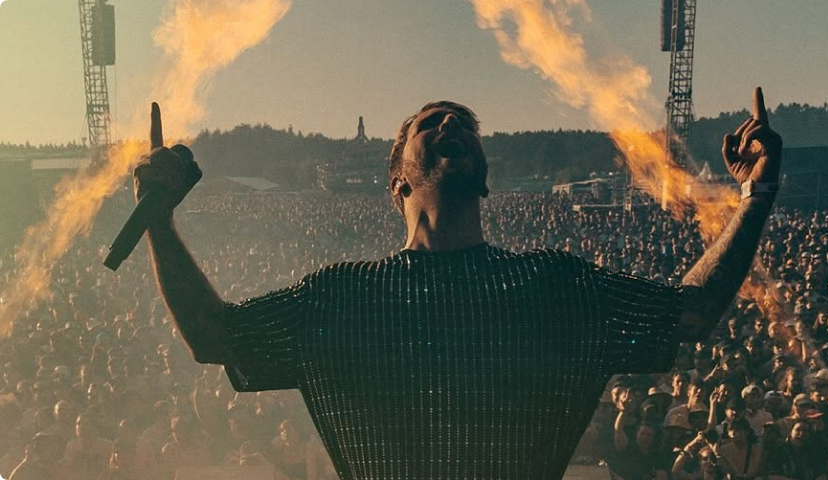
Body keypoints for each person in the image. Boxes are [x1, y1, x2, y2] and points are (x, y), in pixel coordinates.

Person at [132, 87, 782, 479]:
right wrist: (156, 219)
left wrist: (756, 196)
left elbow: (691, 311)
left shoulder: (555, 286)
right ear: (397, 180)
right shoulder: (339, 297)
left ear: (484, 175)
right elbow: (214, 336)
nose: (452, 127)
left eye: (464, 125)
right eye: (431, 124)